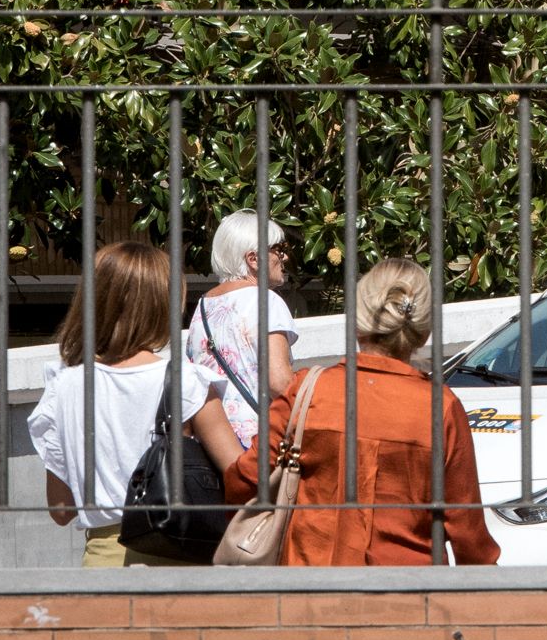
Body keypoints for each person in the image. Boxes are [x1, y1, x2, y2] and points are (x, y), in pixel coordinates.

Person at [209, 257, 499, 566]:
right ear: (424, 331)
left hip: (307, 591)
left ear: (358, 322)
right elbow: (467, 532)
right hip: (408, 595)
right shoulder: (440, 408)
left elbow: (246, 478)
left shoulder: (308, 391)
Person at [27, 240, 239, 567]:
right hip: (177, 556)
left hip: (102, 565)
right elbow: (240, 474)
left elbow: (61, 509)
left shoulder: (63, 386)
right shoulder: (186, 381)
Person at [184, 210, 301, 448]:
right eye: (278, 249)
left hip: (212, 444)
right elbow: (278, 381)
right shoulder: (266, 301)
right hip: (257, 445)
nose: (285, 257)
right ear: (253, 259)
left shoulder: (203, 307)